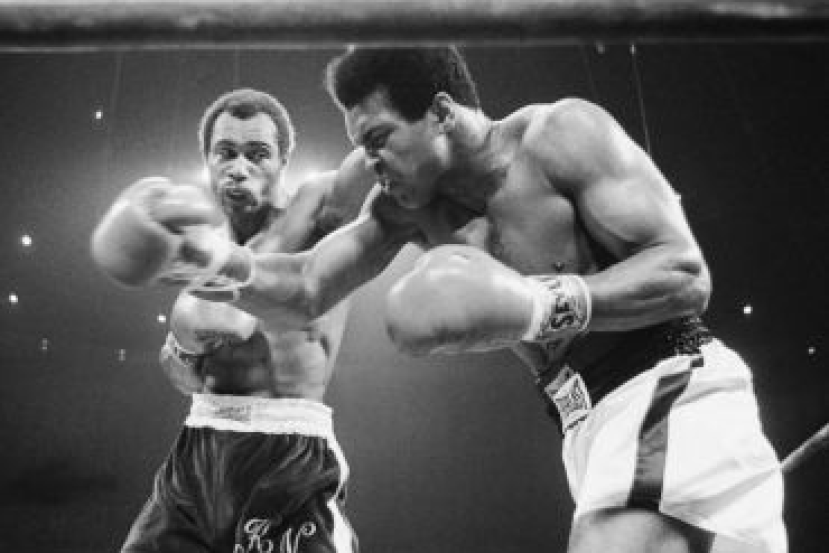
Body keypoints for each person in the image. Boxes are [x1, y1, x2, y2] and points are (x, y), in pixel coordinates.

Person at [92, 48, 787, 553]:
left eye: (379, 139)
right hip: (584, 422)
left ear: (441, 113)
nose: (371, 163)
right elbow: (305, 286)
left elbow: (683, 273)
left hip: (668, 385)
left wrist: (534, 303)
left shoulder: (560, 135)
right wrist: (211, 263)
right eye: (360, 146)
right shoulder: (404, 208)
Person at [91, 88, 373, 553]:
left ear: (283, 160)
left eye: (257, 154)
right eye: (226, 152)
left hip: (289, 452)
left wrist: (409, 119)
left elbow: (374, 164)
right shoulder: (193, 239)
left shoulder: (316, 211)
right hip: (200, 444)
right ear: (207, 159)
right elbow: (184, 377)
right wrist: (184, 341)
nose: (239, 167)